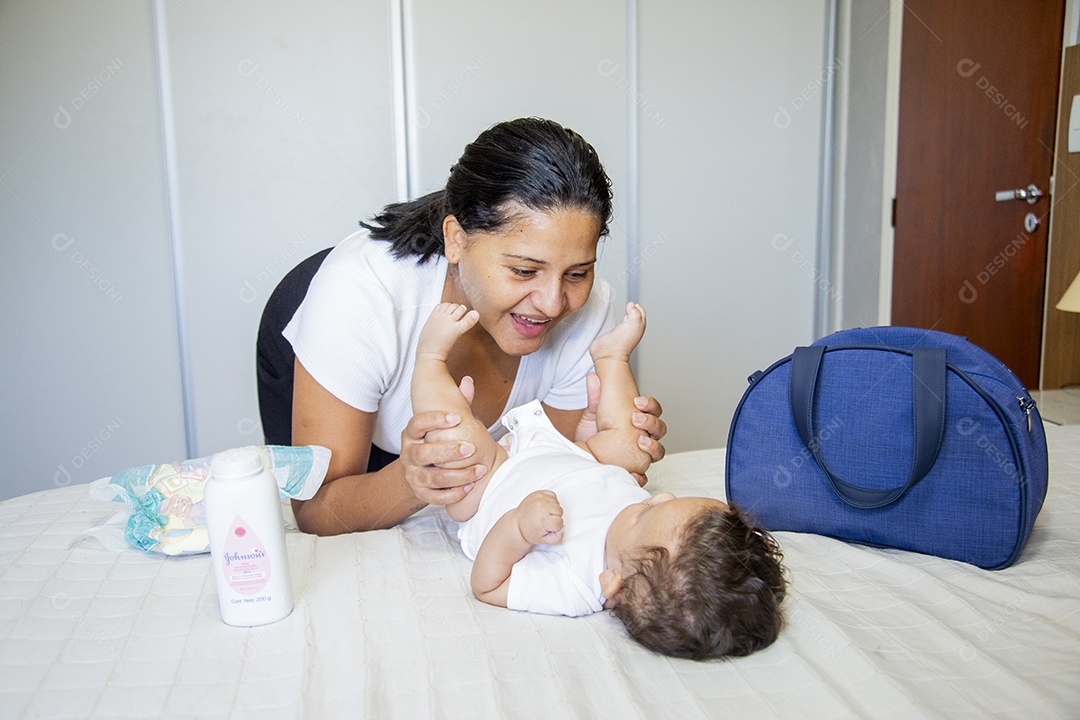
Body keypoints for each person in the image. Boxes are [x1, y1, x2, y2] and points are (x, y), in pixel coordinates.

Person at [265, 118, 667, 535]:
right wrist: (412, 480)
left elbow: (536, 476)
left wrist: (593, 449)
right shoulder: (360, 296)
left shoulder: (587, 308)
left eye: (577, 273)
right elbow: (316, 512)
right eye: (525, 270)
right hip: (327, 340)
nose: (551, 303)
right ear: (456, 239)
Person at [413, 301, 787, 660]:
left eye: (644, 516)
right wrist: (589, 434)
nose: (657, 496)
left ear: (612, 584)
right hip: (571, 454)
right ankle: (611, 358)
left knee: (457, 444)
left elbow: (488, 585)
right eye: (670, 500)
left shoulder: (576, 586)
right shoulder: (637, 527)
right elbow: (606, 476)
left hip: (487, 483)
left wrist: (518, 527)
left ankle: (430, 360)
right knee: (632, 447)